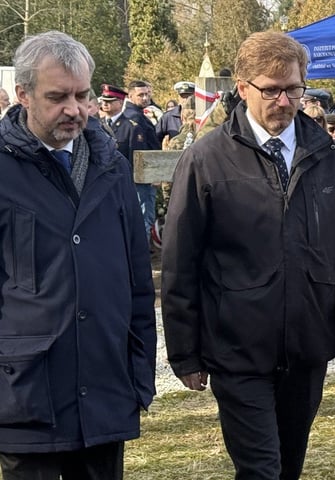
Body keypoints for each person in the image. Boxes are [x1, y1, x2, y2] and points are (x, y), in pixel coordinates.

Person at [161, 31, 335, 480]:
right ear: (242, 88)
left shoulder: (330, 158)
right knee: (261, 470)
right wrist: (185, 353)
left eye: (293, 89)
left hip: (307, 347)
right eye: (271, 89)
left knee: (288, 466)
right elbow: (182, 263)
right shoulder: (207, 159)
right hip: (236, 349)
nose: (283, 100)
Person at [0, 30, 155, 479]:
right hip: (26, 399)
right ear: (24, 95)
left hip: (107, 390)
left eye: (82, 95)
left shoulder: (112, 167)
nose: (74, 109)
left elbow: (137, 280)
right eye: (58, 97)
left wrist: (139, 372)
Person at [123, 80, 163, 242]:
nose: (145, 98)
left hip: (139, 176)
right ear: (130, 96)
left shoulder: (137, 116)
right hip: (142, 177)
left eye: (147, 94)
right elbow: (139, 152)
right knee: (144, 218)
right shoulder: (135, 119)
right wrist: (154, 175)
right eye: (141, 95)